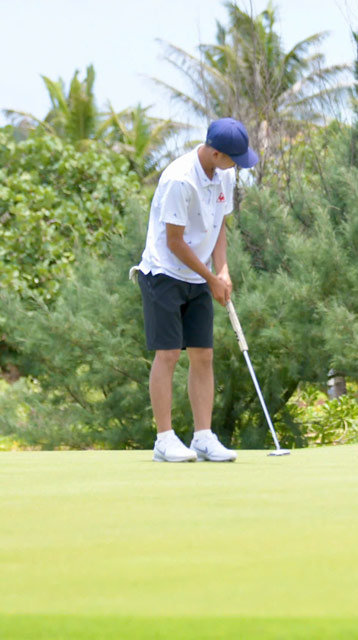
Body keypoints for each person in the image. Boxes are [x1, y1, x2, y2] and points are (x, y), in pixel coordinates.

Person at [133, 117, 258, 462]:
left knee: (203, 354)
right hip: (164, 273)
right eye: (233, 157)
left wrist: (223, 270)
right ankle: (164, 439)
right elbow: (174, 243)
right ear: (215, 153)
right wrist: (211, 277)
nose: (237, 164)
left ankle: (203, 437)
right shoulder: (178, 180)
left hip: (200, 275)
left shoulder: (225, 174)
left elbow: (219, 224)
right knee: (169, 354)